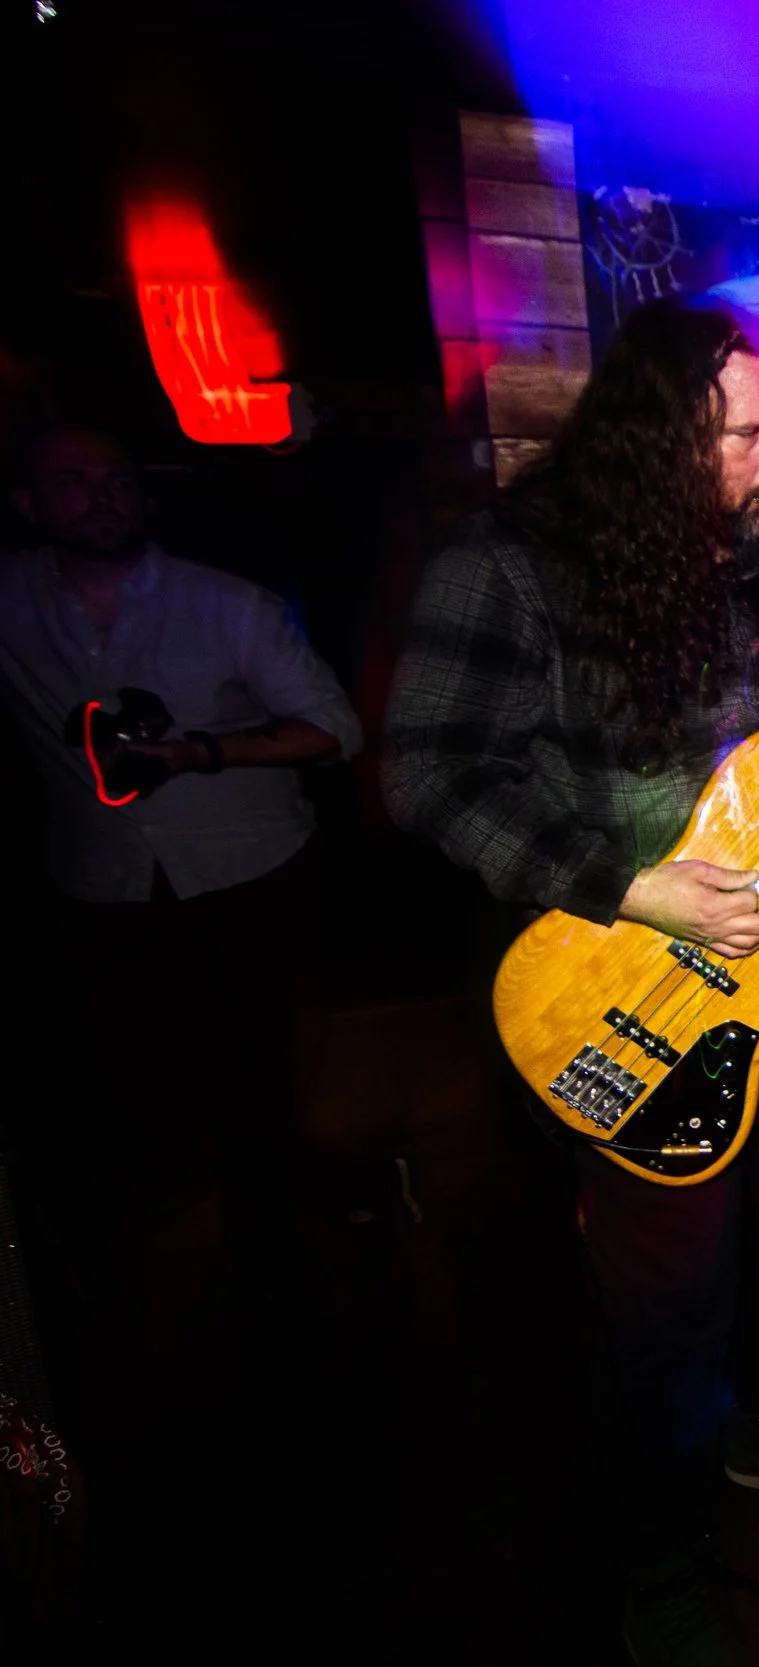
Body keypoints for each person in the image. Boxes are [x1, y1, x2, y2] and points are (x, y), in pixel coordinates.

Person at [382, 299, 759, 1665]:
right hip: (636, 983)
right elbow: (427, 772)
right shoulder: (514, 565)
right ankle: (667, 1539)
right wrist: (628, 883)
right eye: (741, 437)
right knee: (667, 1293)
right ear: (654, 438)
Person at [0, 425, 360, 1339]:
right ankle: (153, 1283)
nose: (102, 495)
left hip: (250, 870)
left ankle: (280, 1277)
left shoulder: (226, 604)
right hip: (101, 884)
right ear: (27, 503)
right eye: (73, 480)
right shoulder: (12, 600)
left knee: (264, 1074)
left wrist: (199, 753)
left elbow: (335, 728)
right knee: (136, 1078)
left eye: (117, 478)